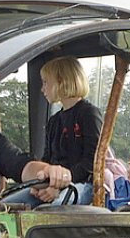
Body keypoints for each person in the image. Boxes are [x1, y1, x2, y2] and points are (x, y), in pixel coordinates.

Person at [24, 57, 104, 206]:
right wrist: (40, 183)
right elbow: (47, 159)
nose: (42, 89)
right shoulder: (54, 121)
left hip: (83, 185)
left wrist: (61, 183)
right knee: (8, 205)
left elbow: (92, 163)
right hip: (56, 182)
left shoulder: (89, 114)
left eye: (46, 82)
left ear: (61, 81)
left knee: (56, 209)